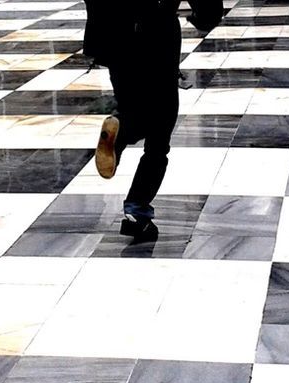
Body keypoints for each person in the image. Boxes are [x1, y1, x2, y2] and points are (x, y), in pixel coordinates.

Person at [83, 0, 223, 239]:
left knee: (132, 108)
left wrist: (99, 33)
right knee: (160, 132)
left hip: (114, 37)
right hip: (157, 34)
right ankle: (137, 209)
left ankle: (121, 133)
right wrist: (205, 16)